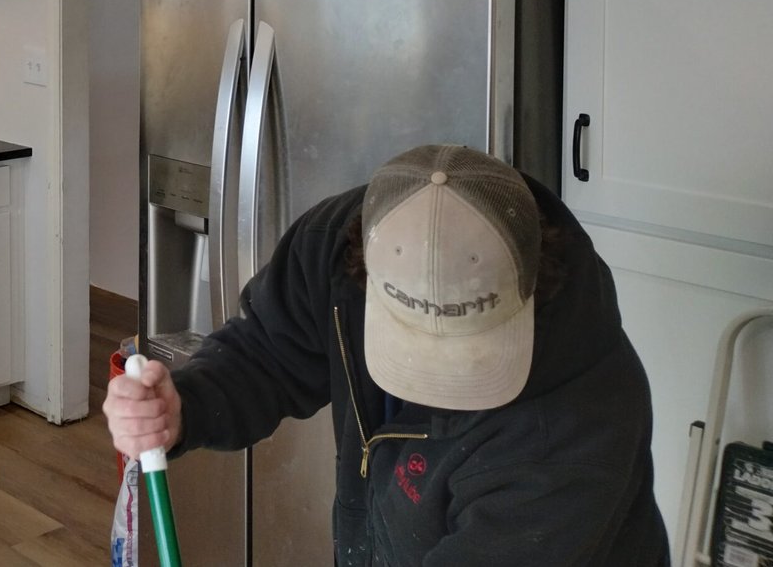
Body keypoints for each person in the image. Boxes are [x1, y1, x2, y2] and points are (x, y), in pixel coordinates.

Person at [104, 143, 669, 566]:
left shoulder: (572, 433)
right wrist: (186, 405)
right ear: (364, 276)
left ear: (535, 283)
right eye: (414, 344)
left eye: (468, 356)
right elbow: (270, 353)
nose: (433, 382)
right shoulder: (337, 248)